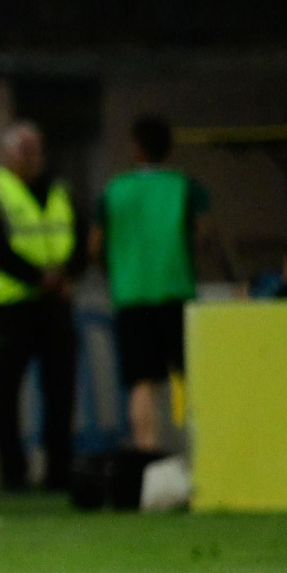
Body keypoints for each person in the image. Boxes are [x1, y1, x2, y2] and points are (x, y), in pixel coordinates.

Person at [91, 115, 213, 452]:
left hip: (131, 296)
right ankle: (203, 452)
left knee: (142, 382)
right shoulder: (186, 186)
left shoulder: (114, 191)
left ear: (135, 149)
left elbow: (94, 247)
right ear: (170, 149)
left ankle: (147, 457)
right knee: (190, 374)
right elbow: (203, 235)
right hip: (176, 292)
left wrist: (117, 270)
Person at [0, 121, 82, 490]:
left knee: (61, 391)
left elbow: (78, 234)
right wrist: (38, 277)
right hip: (10, 305)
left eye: (36, 149)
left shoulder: (59, 189)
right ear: (8, 153)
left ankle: (60, 470)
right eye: (24, 149)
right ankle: (13, 472)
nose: (31, 157)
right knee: (5, 394)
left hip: (55, 304)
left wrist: (67, 273)